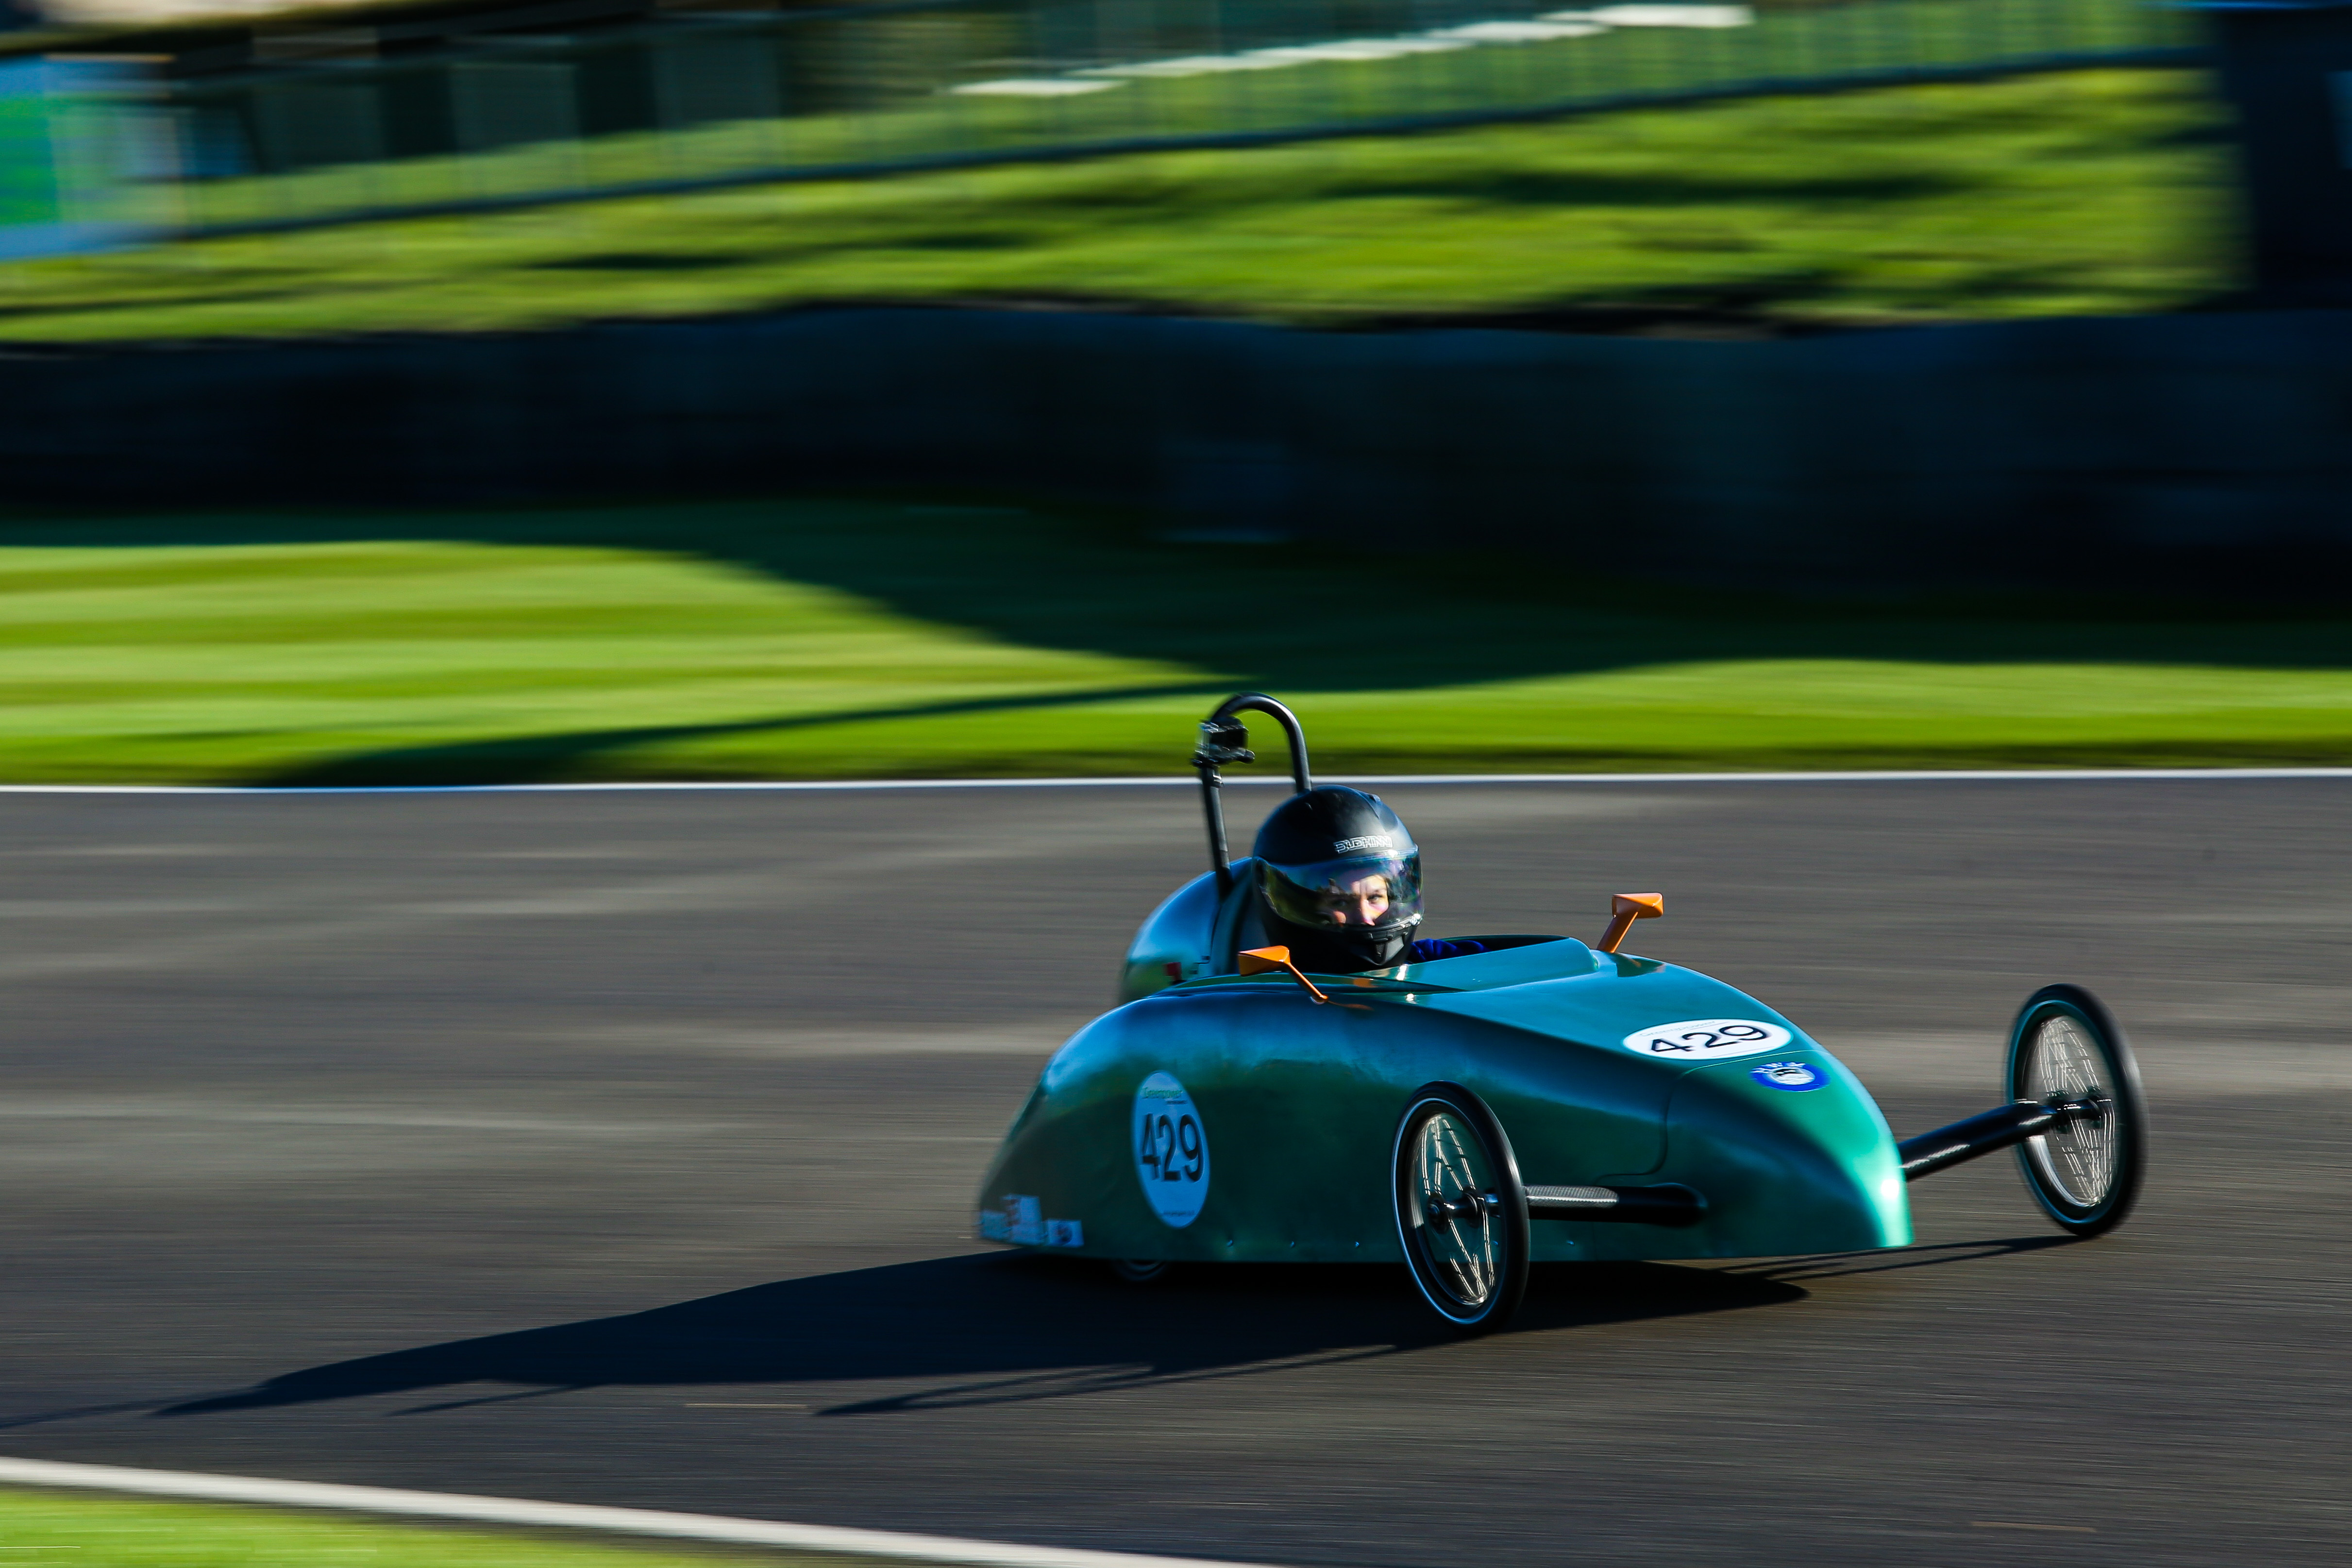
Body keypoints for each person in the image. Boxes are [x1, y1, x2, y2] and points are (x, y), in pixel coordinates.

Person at [1251, 786, 1490, 974]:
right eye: (1341, 903)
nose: (1366, 920)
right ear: (1303, 906)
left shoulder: (1425, 958)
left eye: (1375, 897)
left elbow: (1517, 962)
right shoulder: (1274, 994)